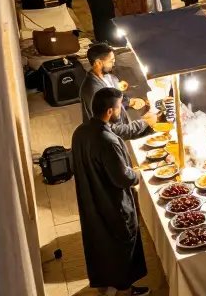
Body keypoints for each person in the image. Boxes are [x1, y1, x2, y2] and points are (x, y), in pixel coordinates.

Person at [71, 88, 150, 296]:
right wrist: (137, 174)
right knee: (121, 244)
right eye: (119, 107)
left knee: (101, 245)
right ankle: (124, 289)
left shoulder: (80, 131)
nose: (120, 110)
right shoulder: (108, 140)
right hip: (112, 203)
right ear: (108, 111)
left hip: (91, 199)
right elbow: (122, 177)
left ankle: (105, 286)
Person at [79, 43, 154, 139]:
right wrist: (144, 124)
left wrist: (129, 101)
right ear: (98, 63)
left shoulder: (107, 77)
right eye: (111, 61)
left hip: (121, 131)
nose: (113, 64)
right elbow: (110, 129)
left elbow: (114, 99)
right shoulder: (94, 91)